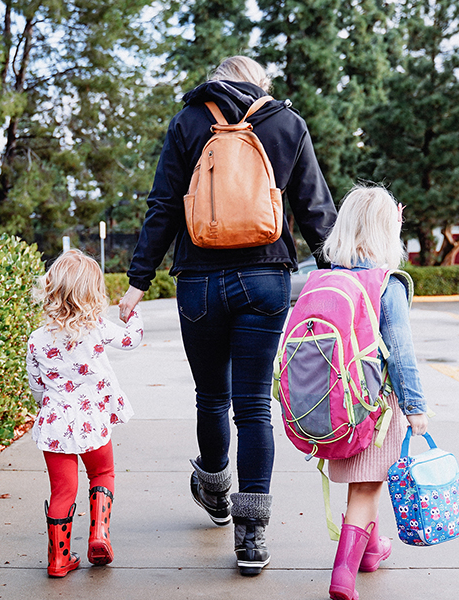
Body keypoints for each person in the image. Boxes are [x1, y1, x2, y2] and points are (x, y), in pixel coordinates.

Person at [118, 55, 337, 575]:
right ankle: (252, 535)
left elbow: (164, 205)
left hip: (199, 281)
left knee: (212, 396)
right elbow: (314, 207)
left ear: (217, 78)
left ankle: (214, 488)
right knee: (254, 406)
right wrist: (335, 274)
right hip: (265, 278)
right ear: (259, 83)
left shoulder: (190, 120)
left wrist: (137, 282)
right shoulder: (287, 122)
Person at [321, 185, 429, 600]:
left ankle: (371, 553)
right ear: (389, 232)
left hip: (336, 402)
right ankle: (342, 578)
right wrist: (416, 407)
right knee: (365, 489)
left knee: (366, 481)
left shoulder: (330, 277)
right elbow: (400, 352)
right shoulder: (388, 284)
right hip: (376, 407)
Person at [26, 249, 143, 578]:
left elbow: (37, 386)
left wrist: (47, 407)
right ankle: (99, 535)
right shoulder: (97, 328)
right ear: (93, 293)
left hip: (55, 425)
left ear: (52, 290)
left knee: (62, 490)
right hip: (92, 421)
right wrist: (133, 316)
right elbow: (132, 340)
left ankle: (58, 559)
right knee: (102, 473)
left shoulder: (36, 340)